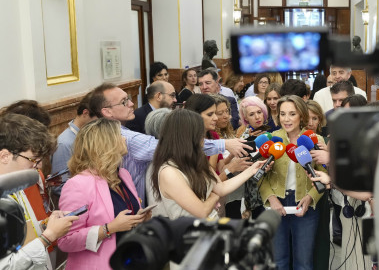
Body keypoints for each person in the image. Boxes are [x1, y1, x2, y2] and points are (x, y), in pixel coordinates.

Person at [88, 83, 250, 207]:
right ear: (107, 112)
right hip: (134, 209)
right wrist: (224, 144)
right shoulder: (125, 137)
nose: (131, 104)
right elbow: (176, 146)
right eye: (124, 102)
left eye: (129, 99)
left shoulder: (103, 132)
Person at [58, 118, 151, 270]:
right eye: (119, 135)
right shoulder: (78, 185)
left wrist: (139, 218)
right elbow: (66, 240)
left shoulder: (123, 174)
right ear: (106, 143)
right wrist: (109, 228)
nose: (125, 138)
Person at [150, 109, 268, 220]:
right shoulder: (169, 172)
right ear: (186, 136)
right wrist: (214, 195)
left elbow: (221, 188)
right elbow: (201, 211)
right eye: (200, 133)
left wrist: (252, 169)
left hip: (212, 228)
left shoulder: (197, 158)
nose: (204, 137)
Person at [0, 113, 78, 270]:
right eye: (34, 160)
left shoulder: (17, 182)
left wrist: (46, 225)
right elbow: (6, 266)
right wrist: (48, 237)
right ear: (5, 156)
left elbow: (24, 232)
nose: (39, 166)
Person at [259, 95, 326, 270]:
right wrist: (271, 199)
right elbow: (259, 176)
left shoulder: (315, 140)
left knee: (303, 263)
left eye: (292, 114)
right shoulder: (272, 139)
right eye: (282, 114)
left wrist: (311, 197)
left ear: (301, 116)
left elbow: (324, 175)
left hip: (305, 205)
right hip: (276, 205)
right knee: (278, 262)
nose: (286, 119)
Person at [50, 92, 97, 200]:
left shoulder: (87, 135)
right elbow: (59, 187)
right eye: (97, 119)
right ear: (85, 113)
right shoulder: (65, 143)